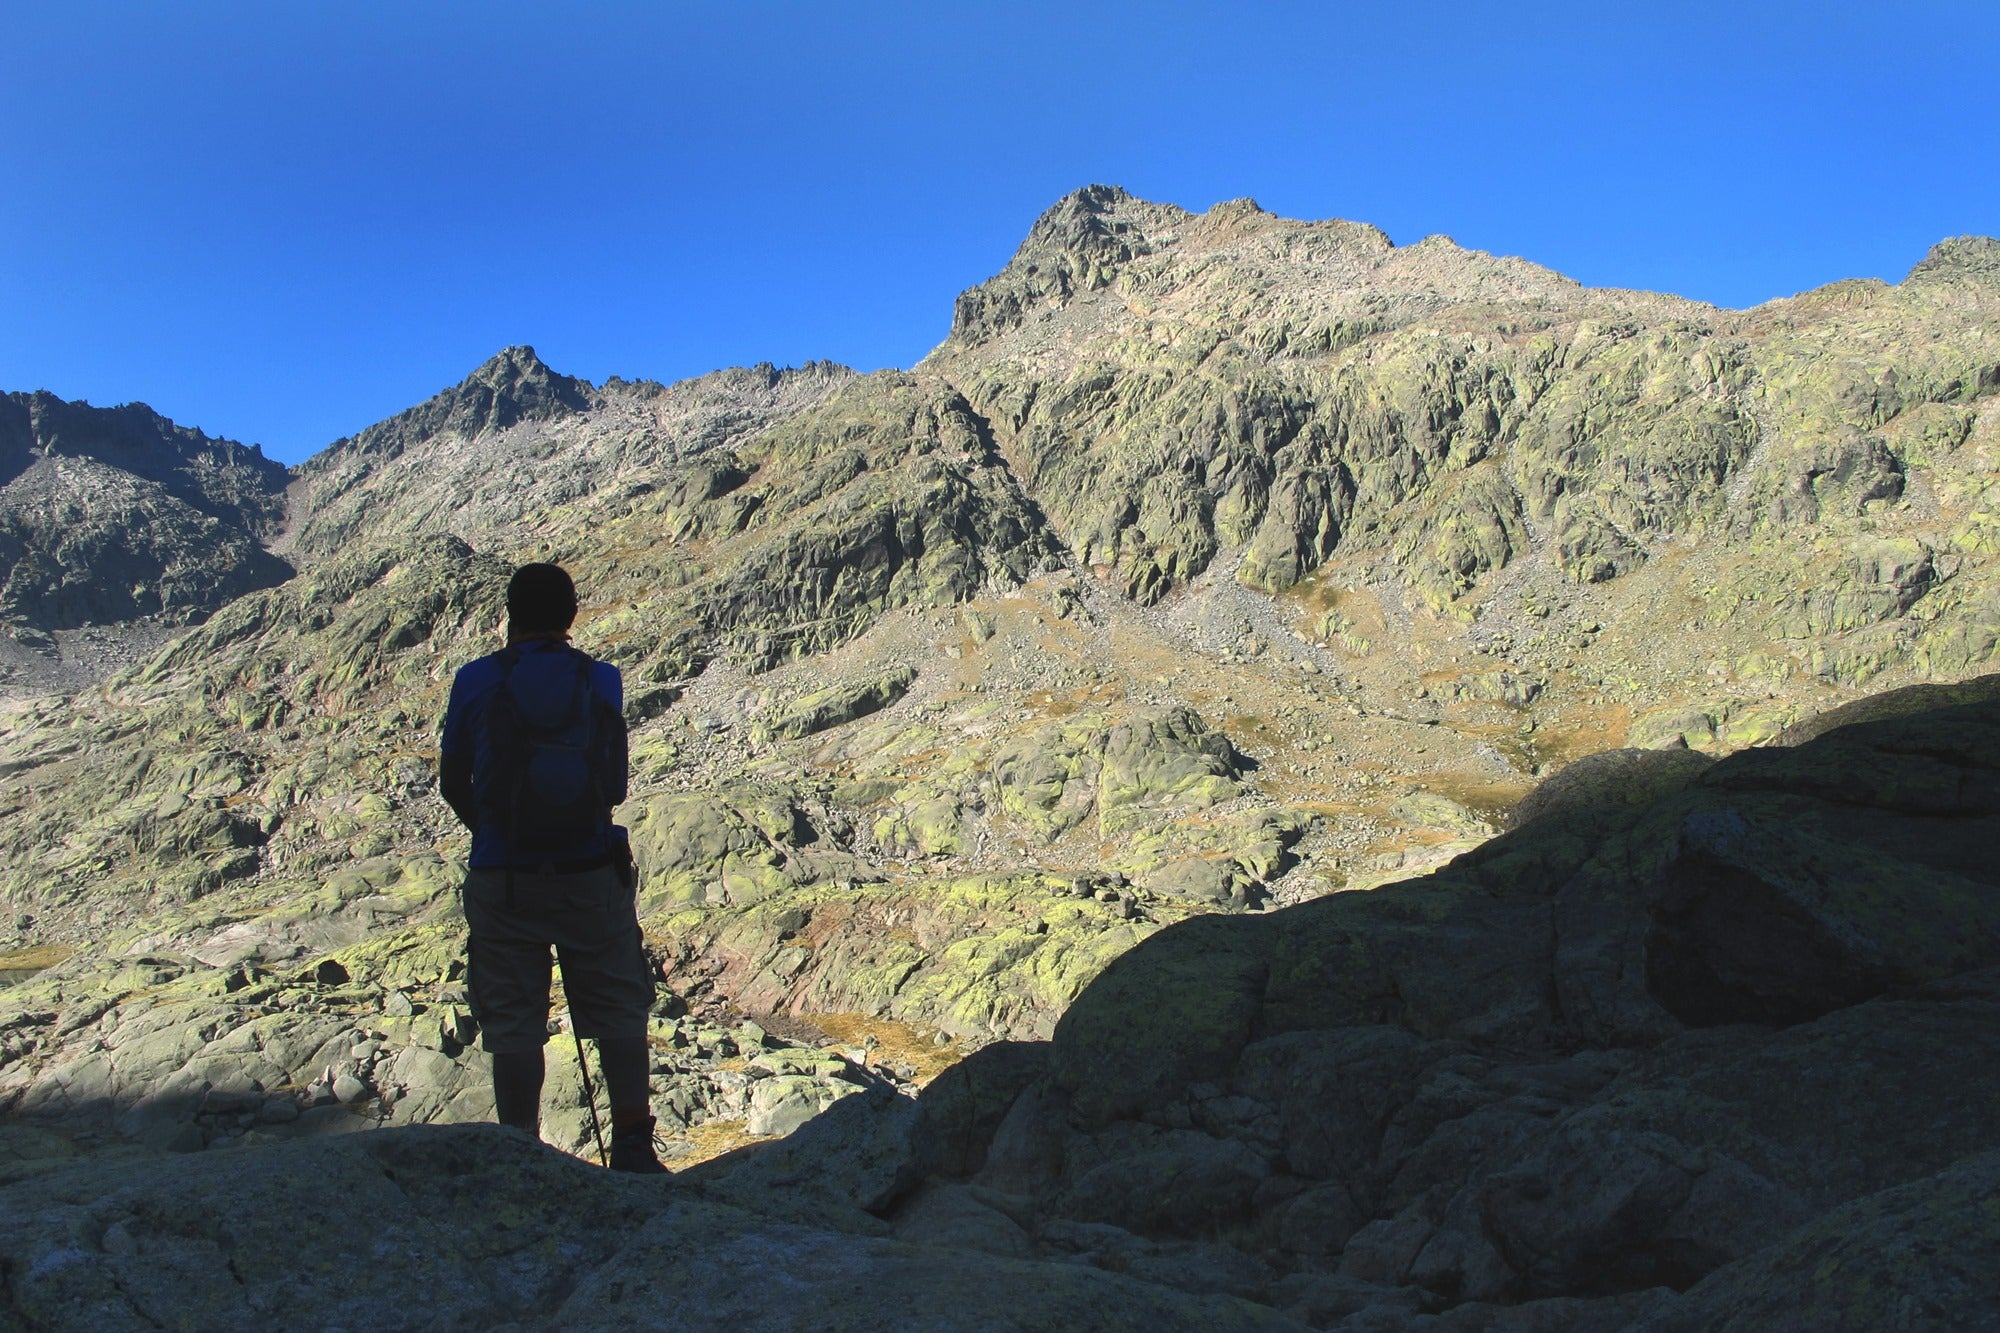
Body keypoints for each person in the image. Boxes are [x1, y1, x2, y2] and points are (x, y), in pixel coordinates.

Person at [438, 562, 665, 1173]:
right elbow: (613, 786)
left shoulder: (475, 680)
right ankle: (633, 1149)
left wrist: (494, 834)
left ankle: (521, 1151)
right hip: (590, 871)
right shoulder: (603, 681)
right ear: (571, 615)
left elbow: (452, 779)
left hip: (502, 876)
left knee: (513, 1021)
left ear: (511, 615)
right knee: (619, 1006)